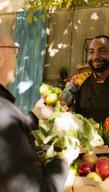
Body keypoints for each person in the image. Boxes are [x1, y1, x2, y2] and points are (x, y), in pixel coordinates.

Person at [0, 28, 79, 191]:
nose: (16, 57)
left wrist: (34, 115)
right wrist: (63, 161)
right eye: (14, 49)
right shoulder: (4, 113)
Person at [62, 35, 109, 124]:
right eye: (91, 52)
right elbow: (61, 105)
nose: (95, 56)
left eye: (102, 51)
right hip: (83, 137)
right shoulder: (78, 80)